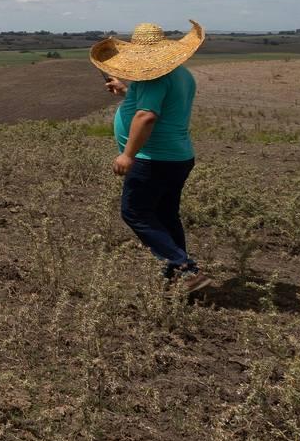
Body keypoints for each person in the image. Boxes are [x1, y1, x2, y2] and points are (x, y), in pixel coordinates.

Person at [90, 21, 212, 293]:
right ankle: (177, 275)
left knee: (135, 212)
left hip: (153, 159)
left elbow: (146, 116)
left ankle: (186, 269)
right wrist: (126, 90)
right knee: (166, 215)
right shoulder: (180, 74)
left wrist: (127, 155)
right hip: (178, 157)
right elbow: (160, 102)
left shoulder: (153, 78)